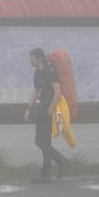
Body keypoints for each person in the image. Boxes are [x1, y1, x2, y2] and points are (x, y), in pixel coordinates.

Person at [23, 47, 68, 182]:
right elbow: (36, 91)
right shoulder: (37, 72)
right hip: (42, 108)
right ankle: (62, 162)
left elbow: (58, 93)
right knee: (40, 141)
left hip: (50, 109)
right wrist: (28, 109)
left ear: (39, 59)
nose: (30, 61)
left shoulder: (50, 72)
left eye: (32, 59)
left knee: (44, 141)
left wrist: (50, 110)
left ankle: (45, 172)